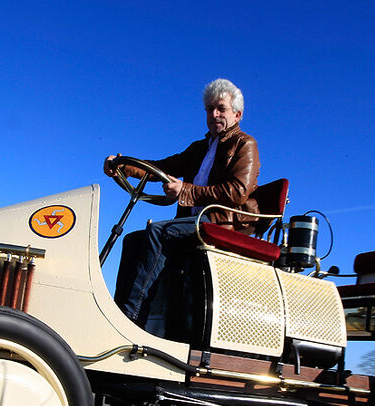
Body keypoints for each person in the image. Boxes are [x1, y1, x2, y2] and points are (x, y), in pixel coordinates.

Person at [105, 78, 260, 326]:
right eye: (209, 109)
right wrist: (125, 166)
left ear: (237, 114)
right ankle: (115, 313)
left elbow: (238, 191)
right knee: (133, 240)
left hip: (221, 223)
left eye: (221, 108)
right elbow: (165, 167)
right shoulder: (200, 148)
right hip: (194, 222)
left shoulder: (245, 144)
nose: (214, 114)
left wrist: (185, 190)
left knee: (159, 232)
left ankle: (131, 320)